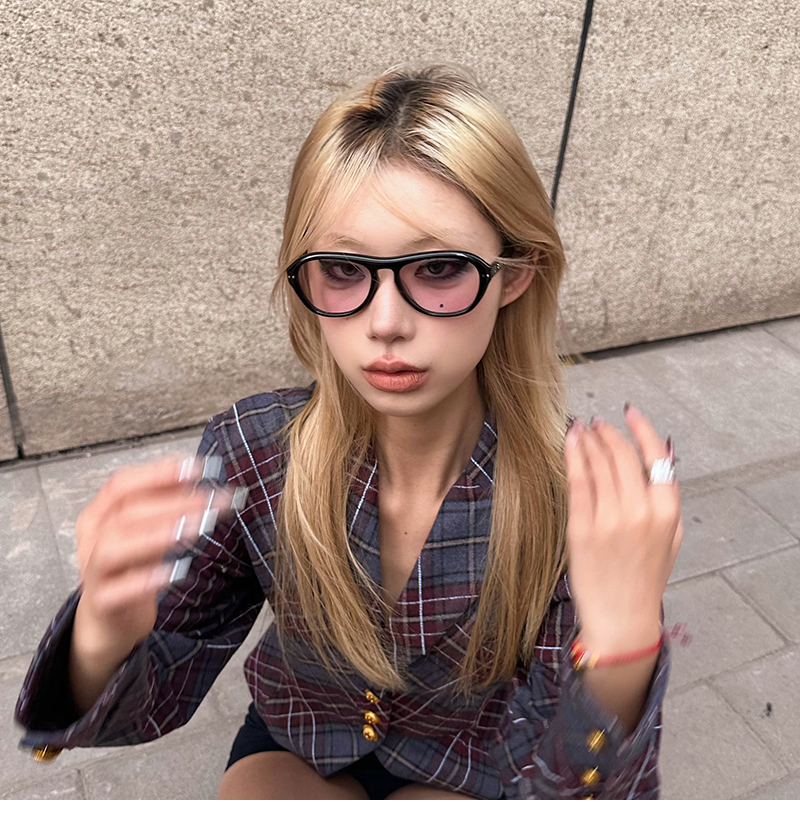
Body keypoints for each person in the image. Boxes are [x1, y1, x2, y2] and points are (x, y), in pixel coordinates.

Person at [15, 64, 683, 800]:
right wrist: (103, 630)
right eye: (341, 269)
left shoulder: (574, 497)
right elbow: (154, 694)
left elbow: (568, 786)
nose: (385, 323)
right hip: (298, 738)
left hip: (474, 764)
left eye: (438, 267)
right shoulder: (256, 449)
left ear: (514, 275)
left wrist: (621, 656)